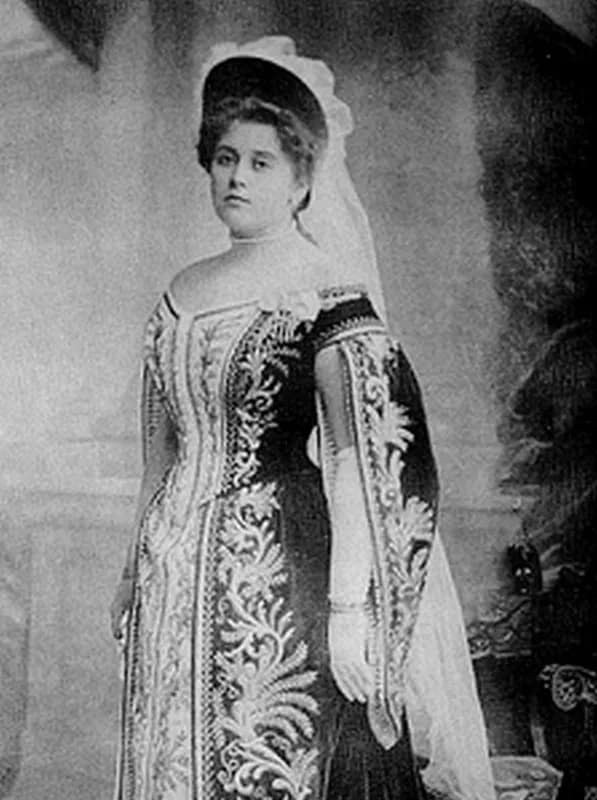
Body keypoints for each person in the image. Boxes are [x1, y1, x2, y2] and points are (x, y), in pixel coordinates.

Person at [110, 37, 496, 800]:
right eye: (226, 158)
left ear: (302, 180)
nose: (237, 177)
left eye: (262, 162)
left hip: (282, 572)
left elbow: (358, 461)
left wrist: (349, 610)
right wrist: (132, 571)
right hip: (170, 576)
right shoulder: (181, 291)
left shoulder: (326, 293)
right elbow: (160, 457)